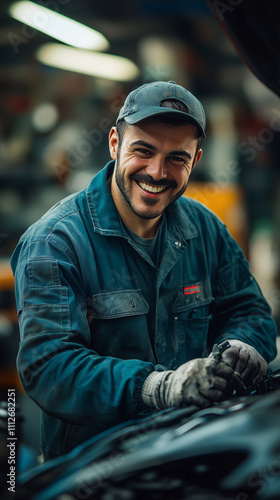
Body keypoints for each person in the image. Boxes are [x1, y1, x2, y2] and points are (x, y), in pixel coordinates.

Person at [11, 81, 277, 460]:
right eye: (143, 150)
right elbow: (50, 368)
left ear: (195, 161)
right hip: (98, 471)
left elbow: (248, 311)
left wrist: (242, 348)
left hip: (190, 454)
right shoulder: (54, 244)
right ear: (115, 144)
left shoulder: (205, 229)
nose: (156, 172)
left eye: (176, 159)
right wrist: (157, 387)